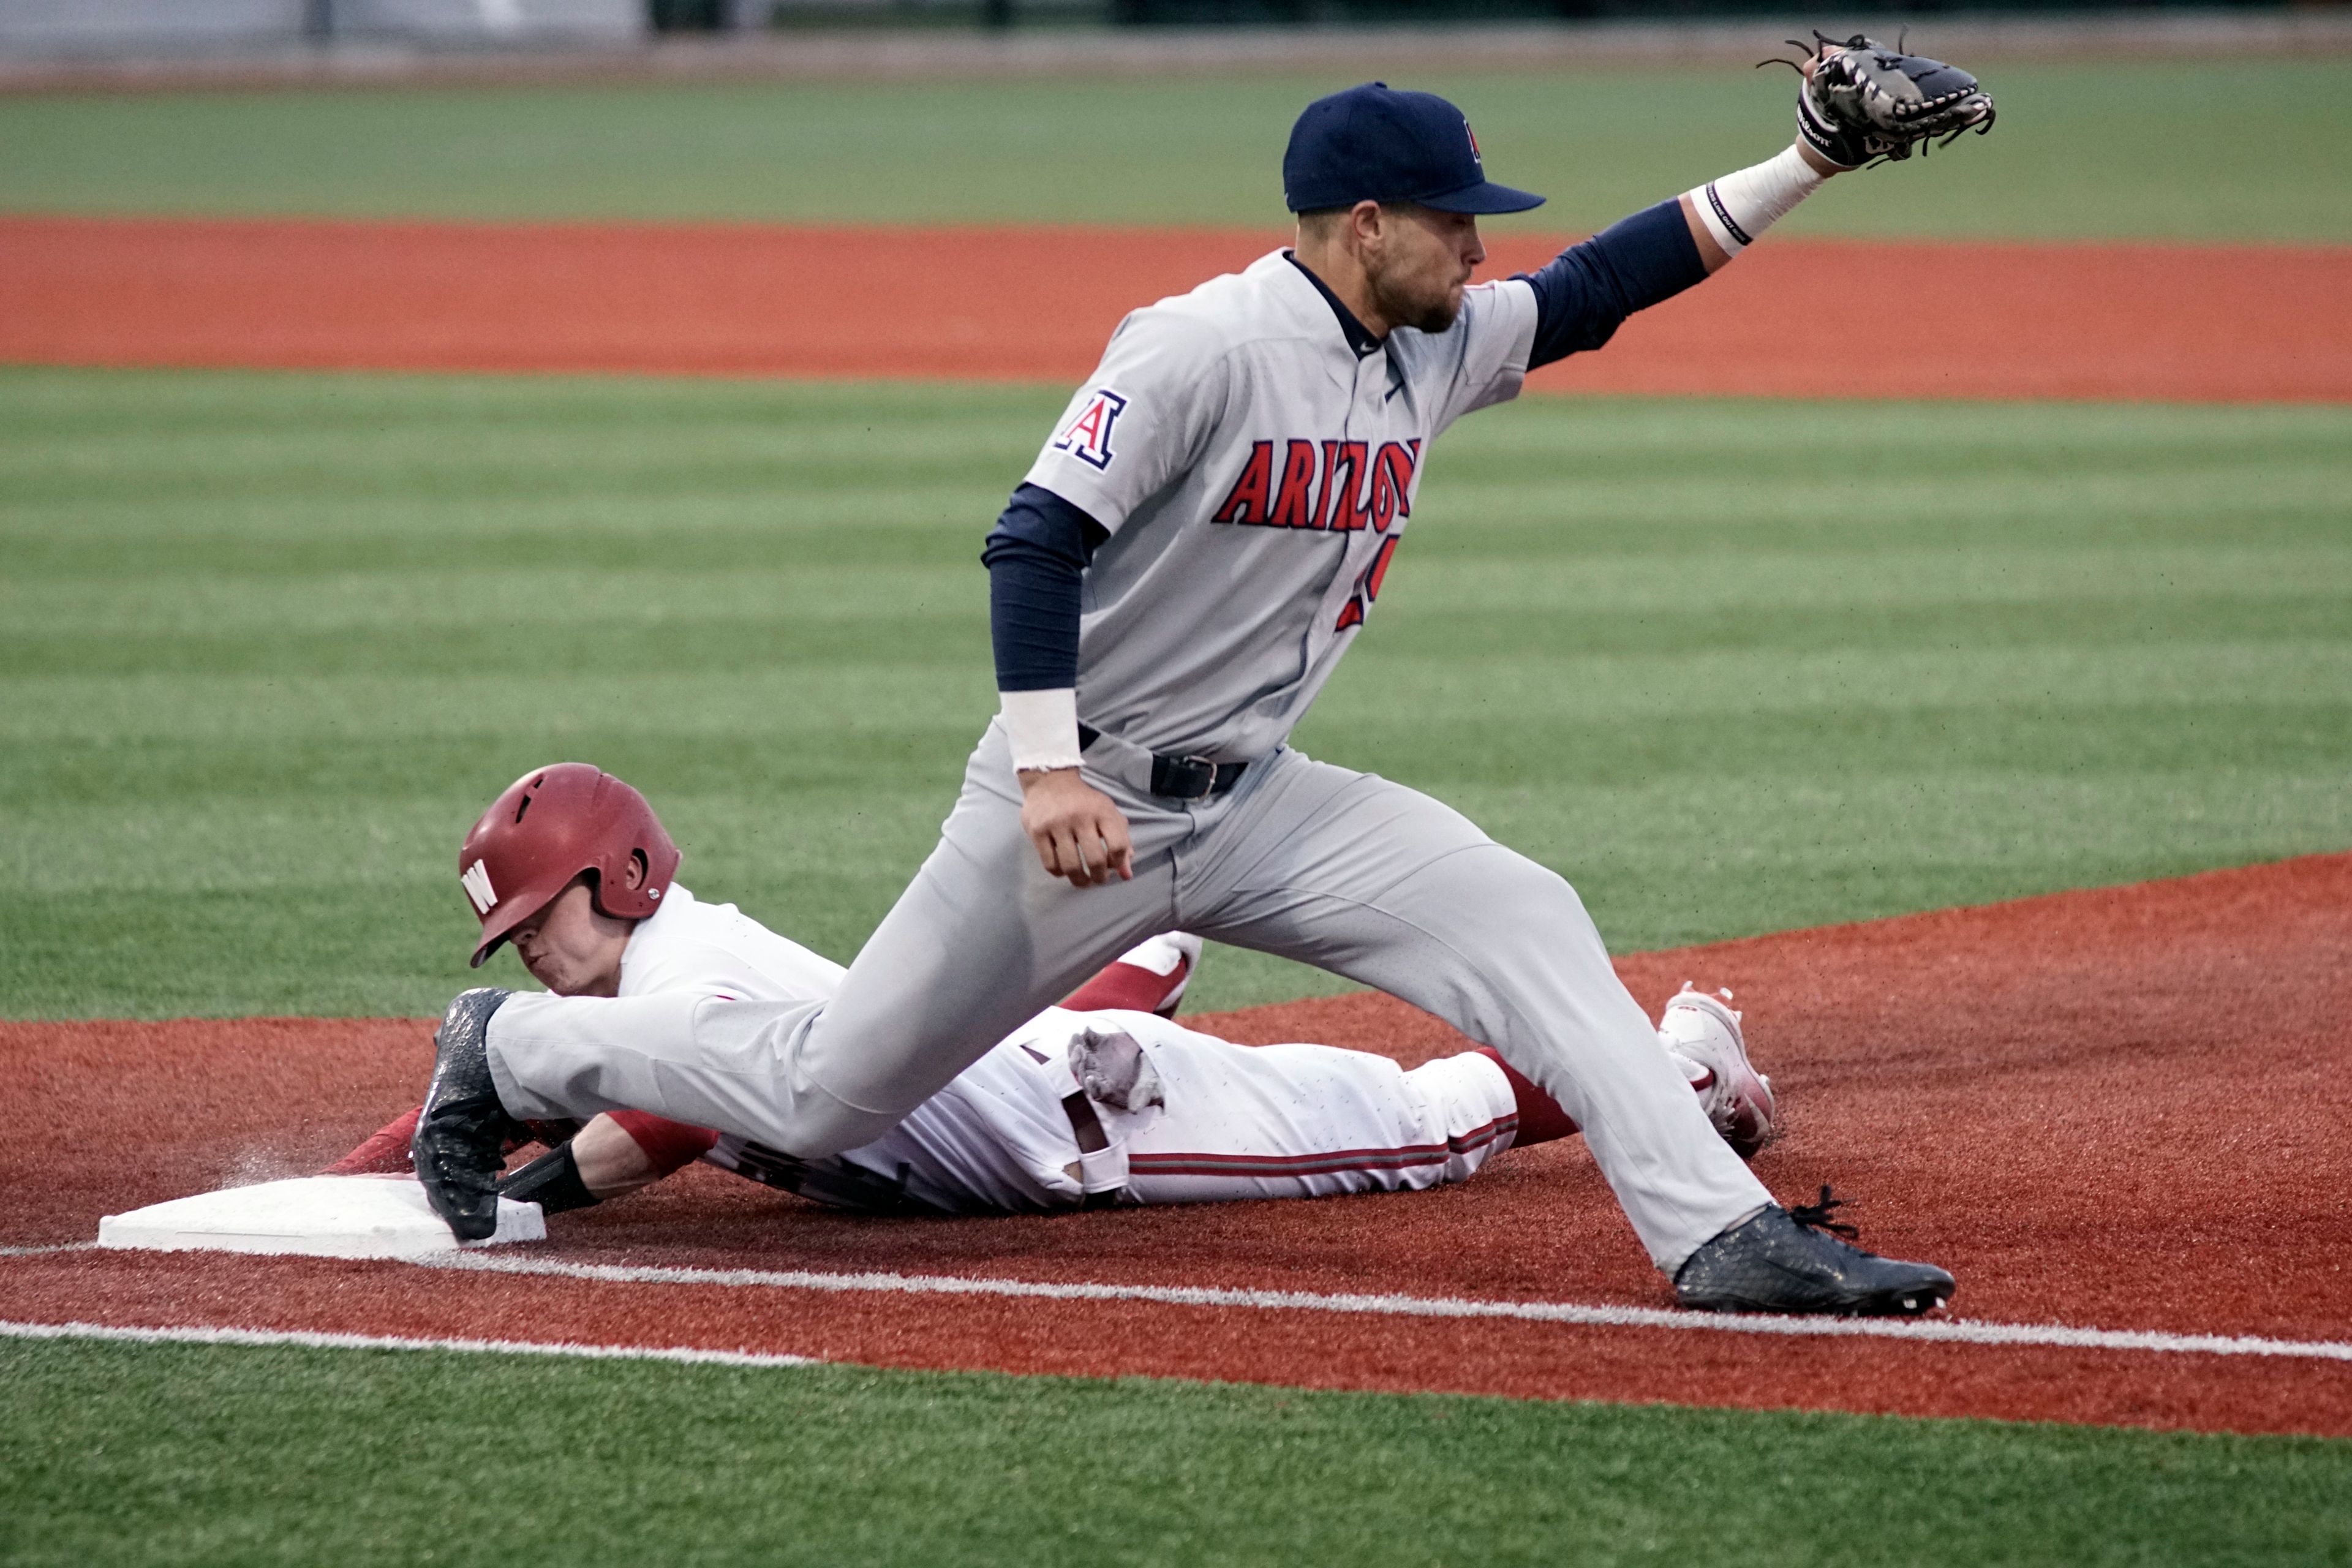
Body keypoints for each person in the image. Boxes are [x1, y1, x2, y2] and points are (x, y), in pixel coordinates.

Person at [417, 58, 1980, 1314]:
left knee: (1521, 912)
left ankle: (1721, 1241)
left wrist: (1808, 166)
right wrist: (1046, 769)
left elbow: (1598, 288)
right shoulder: (1197, 348)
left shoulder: (1422, 342)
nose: (1480, 250)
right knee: (830, 1093)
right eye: (1455, 222)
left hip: (1265, 801)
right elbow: (1034, 541)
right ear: (1365, 224)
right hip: (1079, 807)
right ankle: (512, 1048)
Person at [345, 763, 1776, 1218]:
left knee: (1426, 1125)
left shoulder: (688, 967)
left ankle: (1687, 1062)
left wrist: (532, 1204)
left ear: (628, 875)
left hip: (1086, 1128)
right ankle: (1148, 947)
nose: (530, 947)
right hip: (1001, 1066)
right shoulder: (623, 990)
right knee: (1045, 1017)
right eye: (514, 934)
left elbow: (655, 1118)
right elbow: (486, 1084)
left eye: (543, 914)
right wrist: (370, 1171)